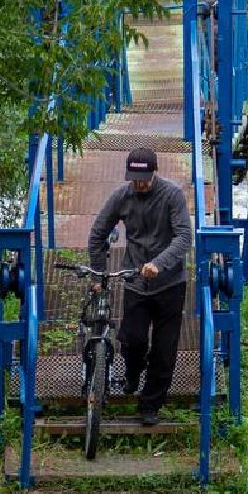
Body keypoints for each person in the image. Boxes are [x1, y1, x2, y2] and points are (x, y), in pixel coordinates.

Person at [87, 147, 193, 426]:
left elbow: (184, 237)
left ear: (154, 172)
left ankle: (150, 404)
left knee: (164, 350)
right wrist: (98, 275)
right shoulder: (122, 196)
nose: (139, 184)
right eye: (134, 178)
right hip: (135, 280)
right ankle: (133, 371)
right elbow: (97, 234)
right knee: (132, 339)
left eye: (143, 179)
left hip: (170, 283)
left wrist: (160, 263)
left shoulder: (172, 195)